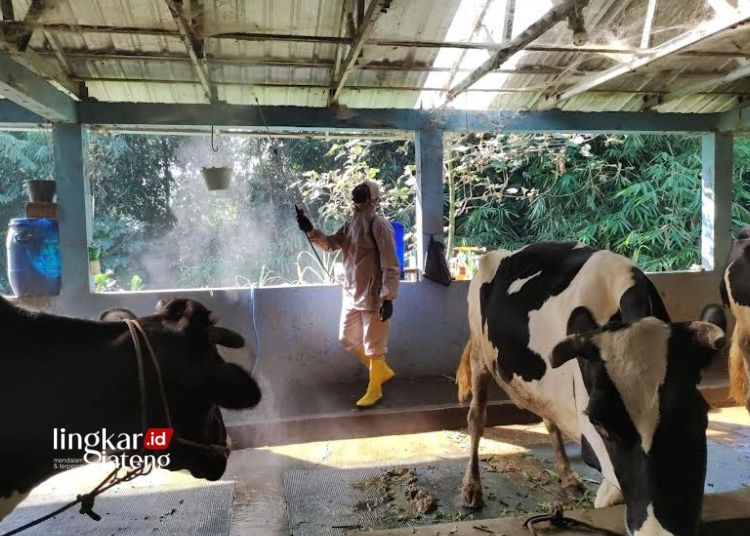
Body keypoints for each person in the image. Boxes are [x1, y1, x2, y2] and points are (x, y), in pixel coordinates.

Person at [296, 179, 400, 407]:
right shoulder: (350, 224)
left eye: (363, 190)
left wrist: (388, 297)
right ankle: (380, 372)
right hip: (352, 291)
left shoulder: (379, 224)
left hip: (375, 295)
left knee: (374, 346)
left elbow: (391, 264)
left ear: (372, 197)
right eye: (357, 189)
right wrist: (310, 229)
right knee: (346, 338)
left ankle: (375, 389)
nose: (358, 192)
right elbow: (330, 244)